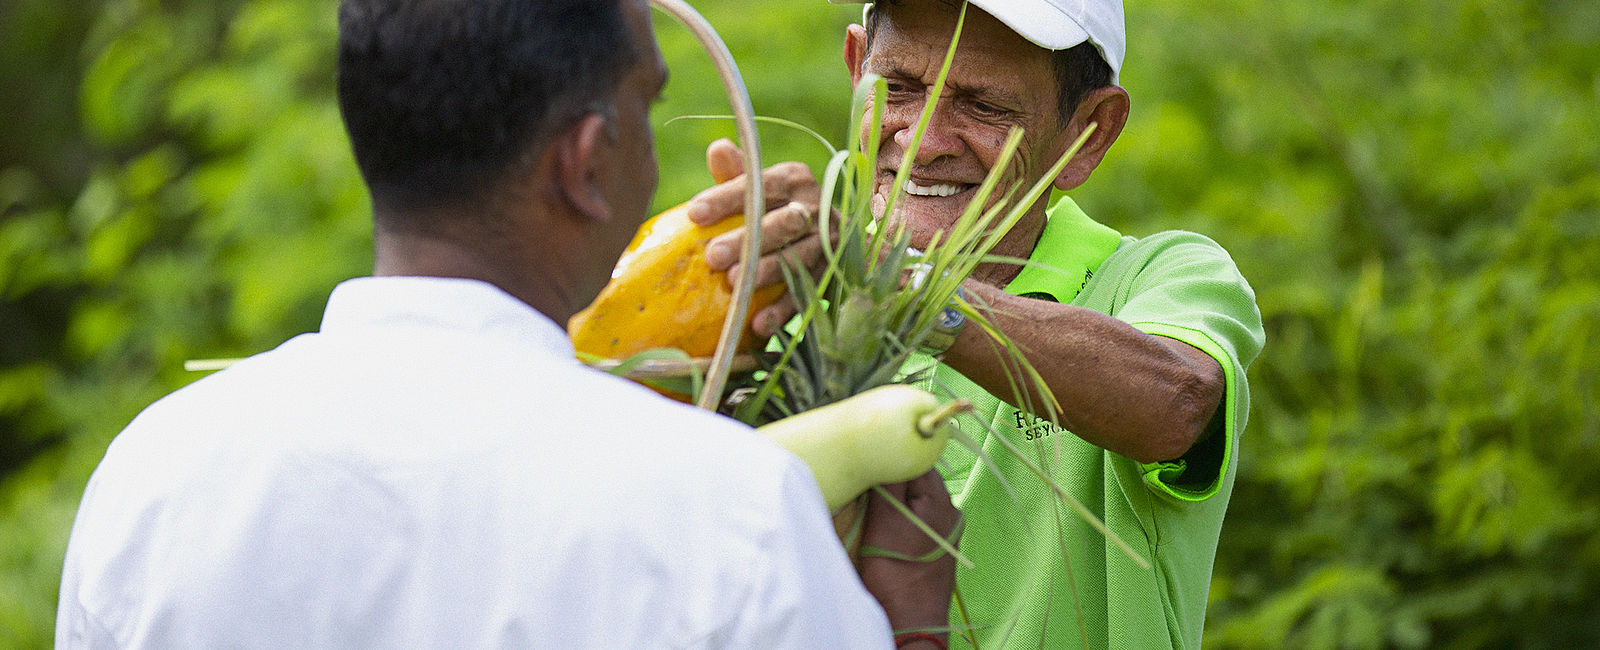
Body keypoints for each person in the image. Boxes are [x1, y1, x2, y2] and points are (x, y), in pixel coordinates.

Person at [54, 0, 959, 647]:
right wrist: (908, 630)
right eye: (645, 105)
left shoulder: (151, 474)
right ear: (587, 160)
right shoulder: (734, 513)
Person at [686, 0, 1266, 647]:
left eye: (983, 106)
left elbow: (1175, 401)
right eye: (897, 90)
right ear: (856, 71)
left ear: (1088, 133)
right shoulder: (778, 294)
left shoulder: (1158, 278)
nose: (923, 141)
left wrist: (895, 277)